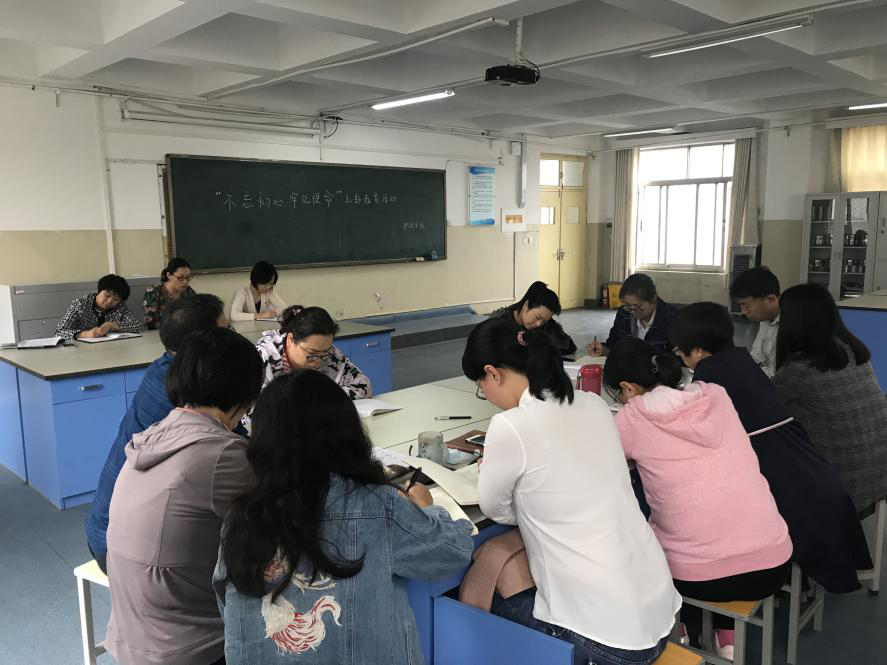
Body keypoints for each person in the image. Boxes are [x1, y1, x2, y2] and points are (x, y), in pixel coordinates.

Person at [214, 370, 474, 664]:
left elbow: (227, 604)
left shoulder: (240, 518)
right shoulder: (378, 506)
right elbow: (452, 552)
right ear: (346, 432)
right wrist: (426, 508)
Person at [463, 317, 680, 665]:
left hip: (609, 643)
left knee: (474, 598)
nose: (485, 395)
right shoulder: (593, 403)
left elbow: (494, 509)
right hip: (661, 616)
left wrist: (526, 501)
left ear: (493, 373)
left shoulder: (511, 425)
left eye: (480, 386)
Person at [603, 338, 792, 657]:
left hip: (701, 578)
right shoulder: (715, 395)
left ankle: (679, 631)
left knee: (650, 542)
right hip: (773, 562)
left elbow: (602, 463)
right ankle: (726, 636)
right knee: (710, 519)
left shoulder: (631, 420)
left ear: (627, 388)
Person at [670, 302, 872, 593]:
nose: (680, 357)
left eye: (680, 351)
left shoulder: (710, 379)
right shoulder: (741, 361)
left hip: (786, 487)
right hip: (815, 474)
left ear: (698, 351)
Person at [105, 327, 263, 665]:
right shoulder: (222, 454)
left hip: (132, 635)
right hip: (191, 647)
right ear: (244, 394)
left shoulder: (154, 435)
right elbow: (285, 514)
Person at [84, 294, 229, 573]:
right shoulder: (185, 398)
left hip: (106, 531)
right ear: (201, 344)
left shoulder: (165, 368)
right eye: (225, 333)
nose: (231, 340)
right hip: (118, 550)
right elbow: (234, 454)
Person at [773, 283, 887, 515]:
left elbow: (762, 406)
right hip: (877, 476)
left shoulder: (799, 369)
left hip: (841, 488)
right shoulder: (853, 352)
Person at [245, 305, 370, 431]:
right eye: (312, 353)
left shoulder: (328, 354)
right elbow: (252, 413)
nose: (319, 360)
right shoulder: (263, 357)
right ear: (290, 339)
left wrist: (321, 401)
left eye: (325, 352)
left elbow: (362, 385)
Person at [587, 273, 678, 356]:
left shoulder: (672, 318)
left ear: (653, 299)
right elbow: (613, 344)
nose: (633, 311)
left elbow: (678, 357)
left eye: (638, 306)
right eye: (627, 305)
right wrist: (603, 350)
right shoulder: (624, 313)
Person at [489, 281, 576, 357]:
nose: (538, 324)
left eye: (544, 321)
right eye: (537, 317)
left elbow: (568, 346)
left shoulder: (546, 325)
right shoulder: (499, 320)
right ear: (526, 305)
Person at [55, 274, 141, 339]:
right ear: (99, 291)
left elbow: (137, 326)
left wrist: (113, 325)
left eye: (116, 299)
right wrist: (84, 334)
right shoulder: (81, 304)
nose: (109, 301)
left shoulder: (120, 307)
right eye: (107, 295)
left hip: (111, 349)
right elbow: (59, 332)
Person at [730, 267, 781, 377]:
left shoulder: (790, 325)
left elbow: (778, 374)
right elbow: (756, 357)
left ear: (770, 300)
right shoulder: (765, 320)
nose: (743, 312)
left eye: (746, 305)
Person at [143, 257, 195, 330]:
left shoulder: (188, 291)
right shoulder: (153, 293)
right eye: (180, 278)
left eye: (188, 277)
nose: (185, 282)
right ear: (169, 275)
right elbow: (152, 323)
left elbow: (196, 315)